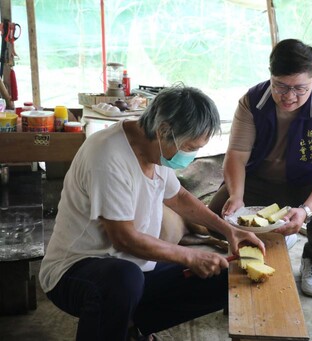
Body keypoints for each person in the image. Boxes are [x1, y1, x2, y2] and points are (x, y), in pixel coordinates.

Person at [39, 84, 265, 340]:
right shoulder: (107, 156)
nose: (192, 156)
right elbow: (124, 238)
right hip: (75, 271)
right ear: (163, 130)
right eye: (190, 148)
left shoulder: (156, 150)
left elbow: (178, 197)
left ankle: (130, 324)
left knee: (223, 278)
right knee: (123, 280)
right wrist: (189, 257)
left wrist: (229, 230)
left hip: (135, 269)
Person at [208, 39, 312, 298]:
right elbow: (236, 156)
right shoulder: (251, 101)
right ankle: (260, 240)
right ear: (271, 75)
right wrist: (236, 195)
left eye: (300, 89)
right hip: (259, 179)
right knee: (216, 214)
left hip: (307, 185)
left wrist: (305, 211)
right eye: (281, 86)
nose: (289, 96)